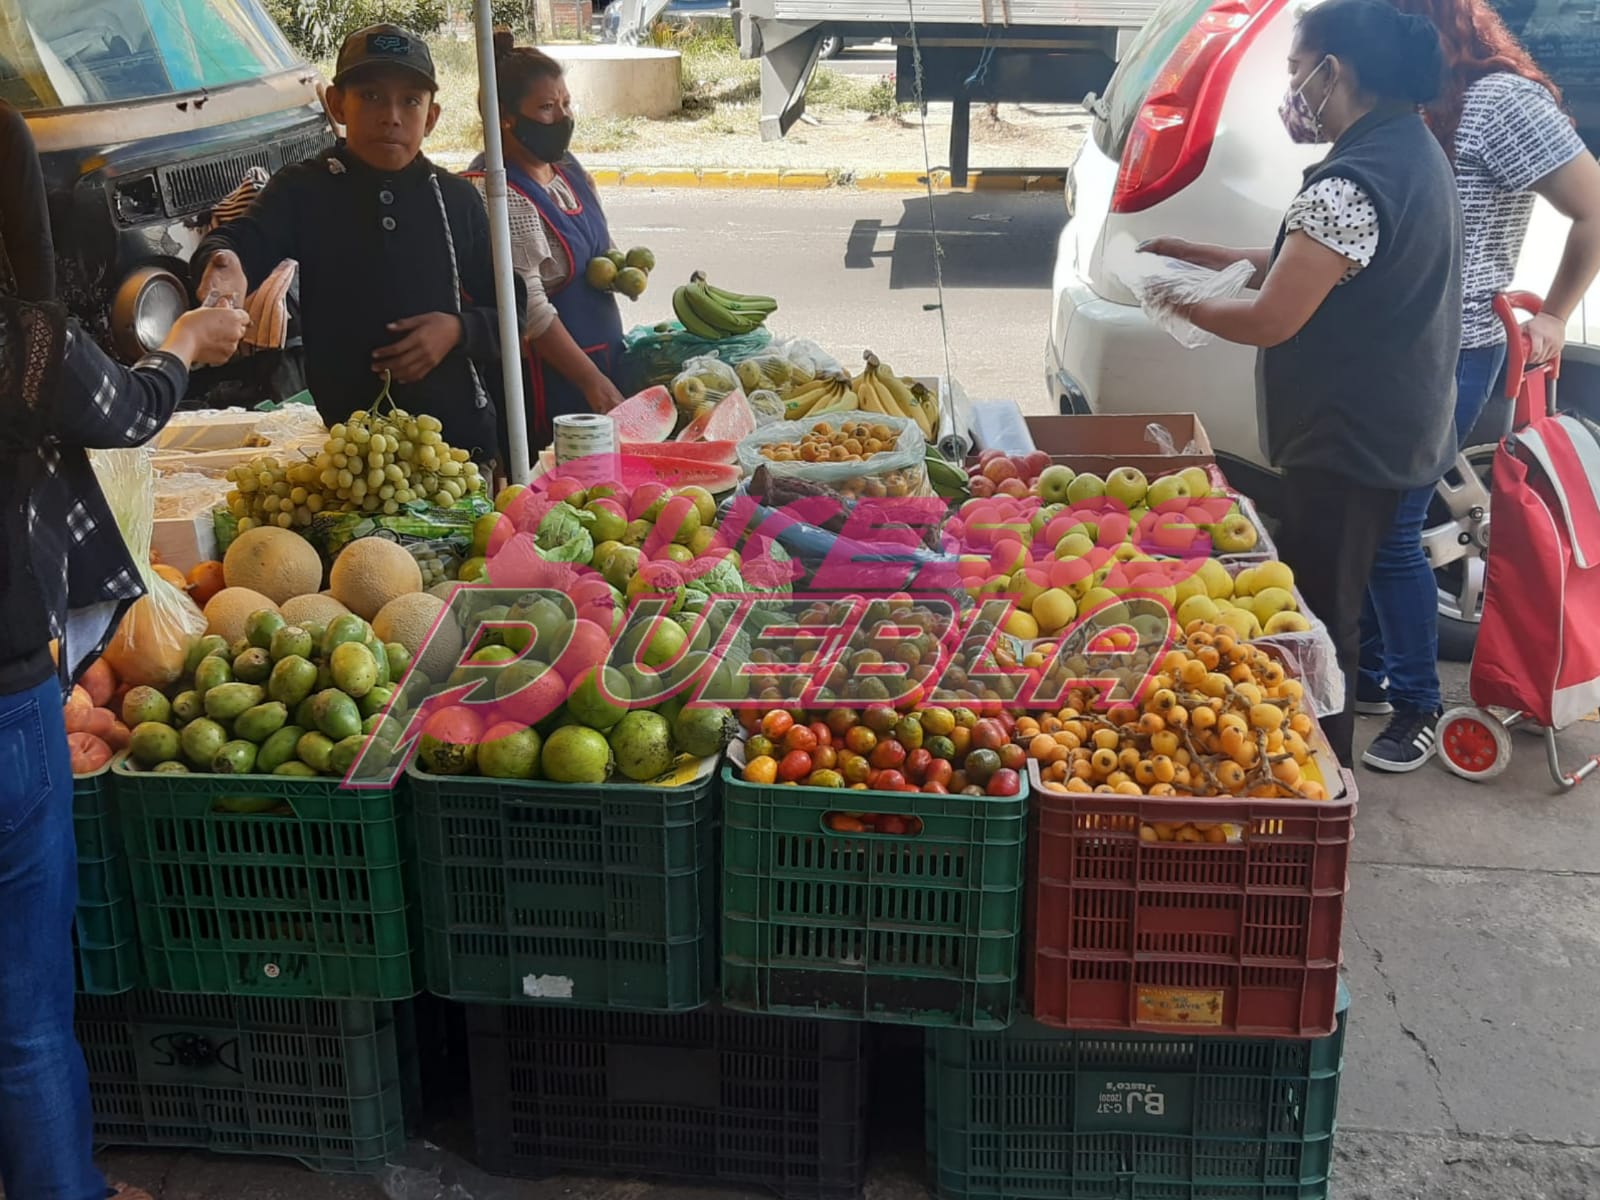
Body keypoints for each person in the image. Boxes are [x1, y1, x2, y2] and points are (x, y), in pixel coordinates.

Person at [0, 142, 250, 1200]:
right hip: (6, 701)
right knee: (22, 1010)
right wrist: (186, 341)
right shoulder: (20, 336)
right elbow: (129, 412)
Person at [1141, 0, 1461, 769]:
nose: (1291, 88)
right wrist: (1212, 257)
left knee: (1317, 619)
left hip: (1347, 438)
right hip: (1398, 424)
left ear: (1332, 72)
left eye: (1295, 70)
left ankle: (1321, 775)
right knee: (1340, 600)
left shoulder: (1352, 181)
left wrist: (1171, 297)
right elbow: (1319, 260)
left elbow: (1273, 317)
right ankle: (1330, 755)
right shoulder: (1409, 148)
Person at [1357, 0, 1600, 771]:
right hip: (1392, 345)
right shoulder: (1409, 97)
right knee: (1370, 513)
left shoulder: (1498, 101)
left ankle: (1417, 706)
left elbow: (1592, 207)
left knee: (1395, 524)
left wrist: (1555, 312)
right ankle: (1367, 676)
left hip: (1452, 350)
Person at [193, 24, 523, 465]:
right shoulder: (304, 190)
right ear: (336, 104)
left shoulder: (456, 199)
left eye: (410, 101)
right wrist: (224, 263)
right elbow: (237, 243)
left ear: (431, 117)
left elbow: (512, 309)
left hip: (456, 448)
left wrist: (457, 330)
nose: (391, 115)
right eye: (370, 96)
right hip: (354, 453)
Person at [465, 33, 626, 452]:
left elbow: (601, 248)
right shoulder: (496, 192)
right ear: (506, 118)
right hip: (552, 384)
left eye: (566, 104)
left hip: (603, 361)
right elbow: (531, 309)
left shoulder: (567, 168)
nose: (562, 117)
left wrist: (623, 271)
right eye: (546, 107)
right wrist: (592, 382)